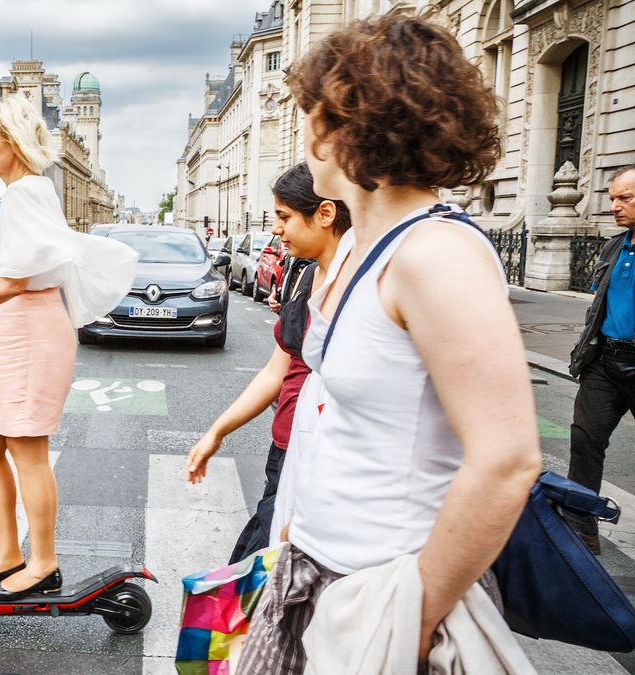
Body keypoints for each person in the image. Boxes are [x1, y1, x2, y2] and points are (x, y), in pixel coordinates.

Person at [234, 13, 541, 673]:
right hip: (315, 571)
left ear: (348, 124)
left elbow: (508, 460)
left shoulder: (436, 253)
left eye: (311, 112)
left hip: (382, 593)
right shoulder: (362, 248)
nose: (304, 130)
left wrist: (416, 614)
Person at [0, 96, 137, 600]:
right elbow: (16, 272)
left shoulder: (25, 193)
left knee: (26, 451)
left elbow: (15, 281)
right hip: (18, 334)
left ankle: (43, 563)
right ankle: (8, 554)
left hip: (34, 339)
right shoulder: (24, 192)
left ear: (12, 143)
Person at [185, 163, 350, 563]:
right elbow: (276, 371)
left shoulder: (360, 283)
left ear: (324, 215)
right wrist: (217, 432)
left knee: (257, 585)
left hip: (324, 463)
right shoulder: (307, 275)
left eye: (284, 217)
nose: (276, 229)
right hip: (285, 450)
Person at [566, 165, 635, 553]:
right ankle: (580, 528)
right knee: (585, 440)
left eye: (625, 197)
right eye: (612, 198)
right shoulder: (614, 246)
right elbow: (599, 305)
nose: (615, 206)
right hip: (605, 360)